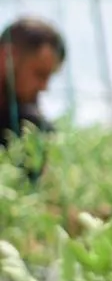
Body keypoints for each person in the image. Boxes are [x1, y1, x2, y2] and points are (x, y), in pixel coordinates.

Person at [0, 16, 65, 184]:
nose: (44, 87)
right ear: (7, 55)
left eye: (49, 77)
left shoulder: (29, 125)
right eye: (39, 74)